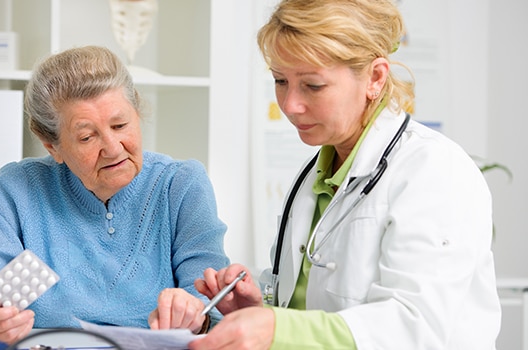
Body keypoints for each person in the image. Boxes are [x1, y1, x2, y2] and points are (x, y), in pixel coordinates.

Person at [148, 0, 502, 348]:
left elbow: (414, 326)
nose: (290, 105)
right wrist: (256, 311)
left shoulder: (435, 171)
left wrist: (276, 328)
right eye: (280, 81)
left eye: (313, 86)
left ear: (375, 78)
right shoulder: (314, 177)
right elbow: (309, 311)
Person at [0, 45, 229, 344]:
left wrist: (196, 314)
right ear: (52, 147)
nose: (112, 148)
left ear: (137, 113)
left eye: (120, 124)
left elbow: (213, 299)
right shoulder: (22, 189)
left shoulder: (180, 184)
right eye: (87, 136)